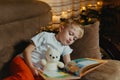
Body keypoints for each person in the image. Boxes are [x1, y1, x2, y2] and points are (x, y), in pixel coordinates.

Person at [3, 19, 84, 80]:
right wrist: (31, 67)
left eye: (74, 38)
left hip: (39, 71)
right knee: (26, 77)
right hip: (22, 61)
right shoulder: (45, 36)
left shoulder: (65, 48)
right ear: (61, 29)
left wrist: (76, 73)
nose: (71, 39)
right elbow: (27, 50)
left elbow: (69, 64)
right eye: (70, 34)